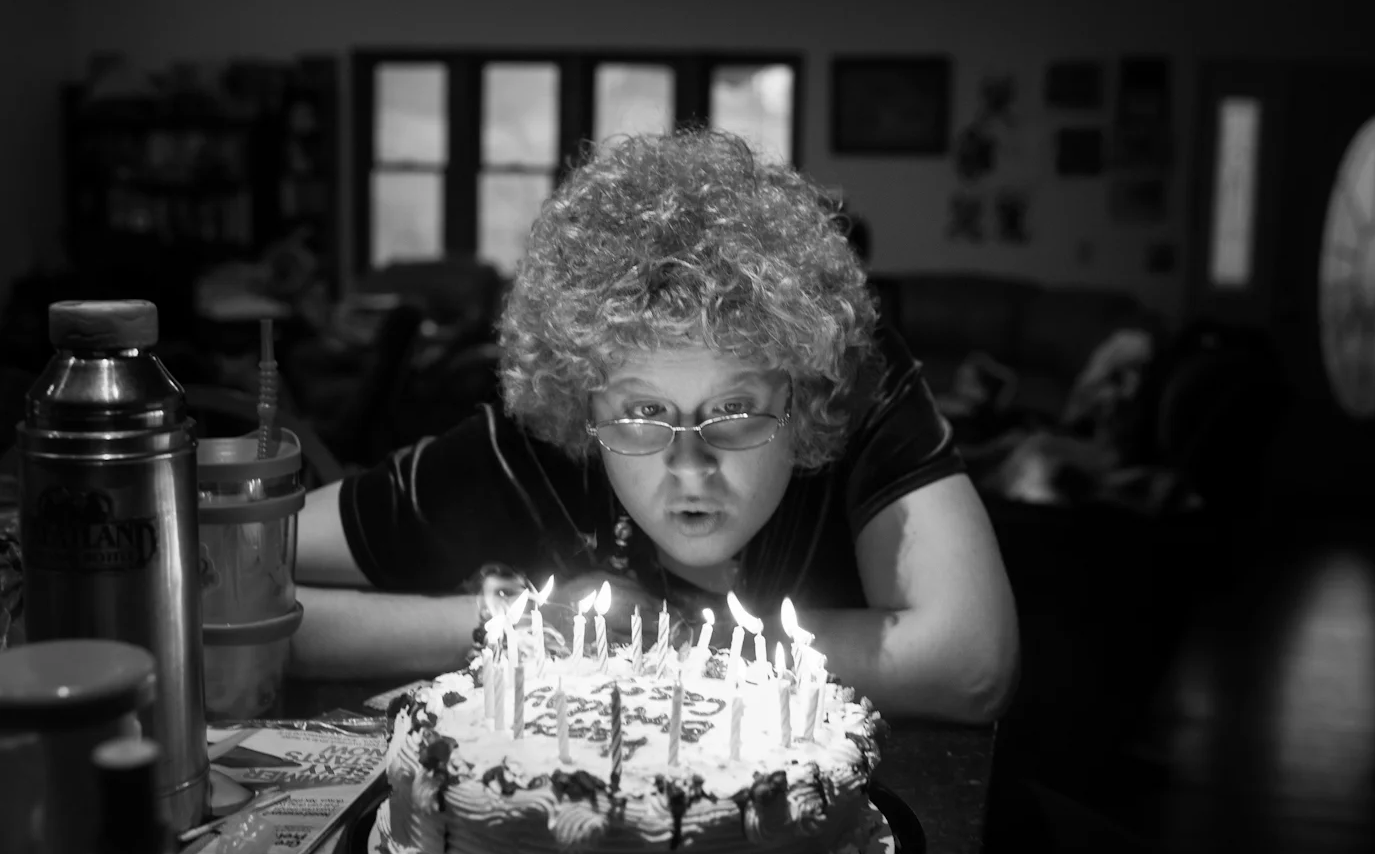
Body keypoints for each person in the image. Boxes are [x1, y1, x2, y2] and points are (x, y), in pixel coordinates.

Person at [291, 129, 1018, 724]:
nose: (691, 465)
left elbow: (971, 663)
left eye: (734, 409)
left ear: (803, 394)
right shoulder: (546, 434)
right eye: (642, 413)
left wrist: (668, 632)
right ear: (585, 403)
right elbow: (234, 573)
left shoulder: (850, 373)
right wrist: (514, 624)